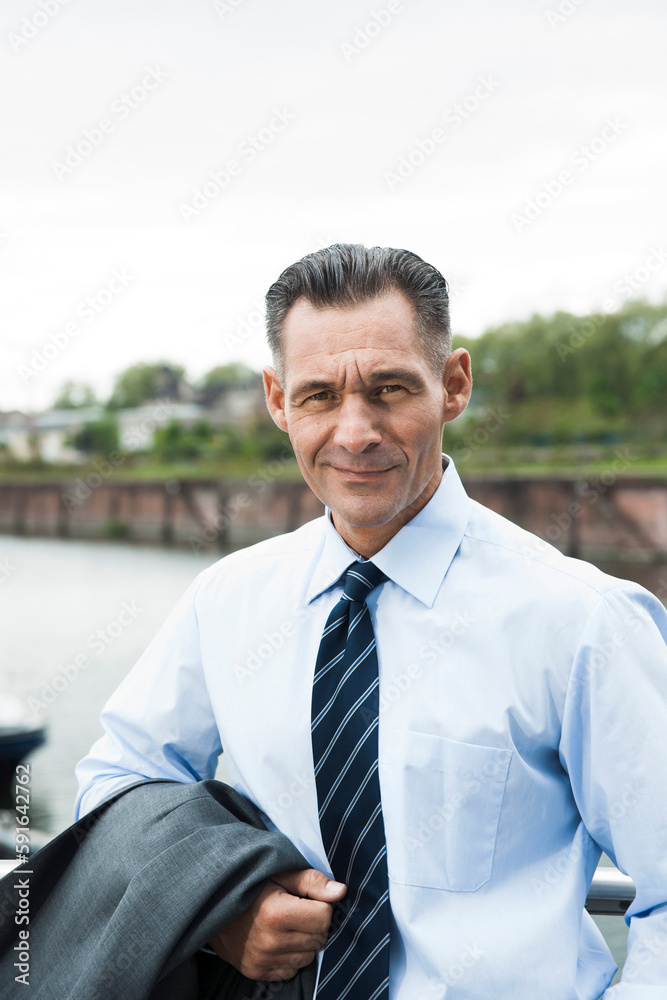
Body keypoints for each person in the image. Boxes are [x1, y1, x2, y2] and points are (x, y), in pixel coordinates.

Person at [75, 244, 667, 999]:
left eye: (388, 389)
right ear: (277, 400)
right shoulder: (226, 602)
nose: (355, 433)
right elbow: (120, 782)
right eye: (319, 396)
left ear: (453, 386)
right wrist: (216, 909)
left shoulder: (582, 621)